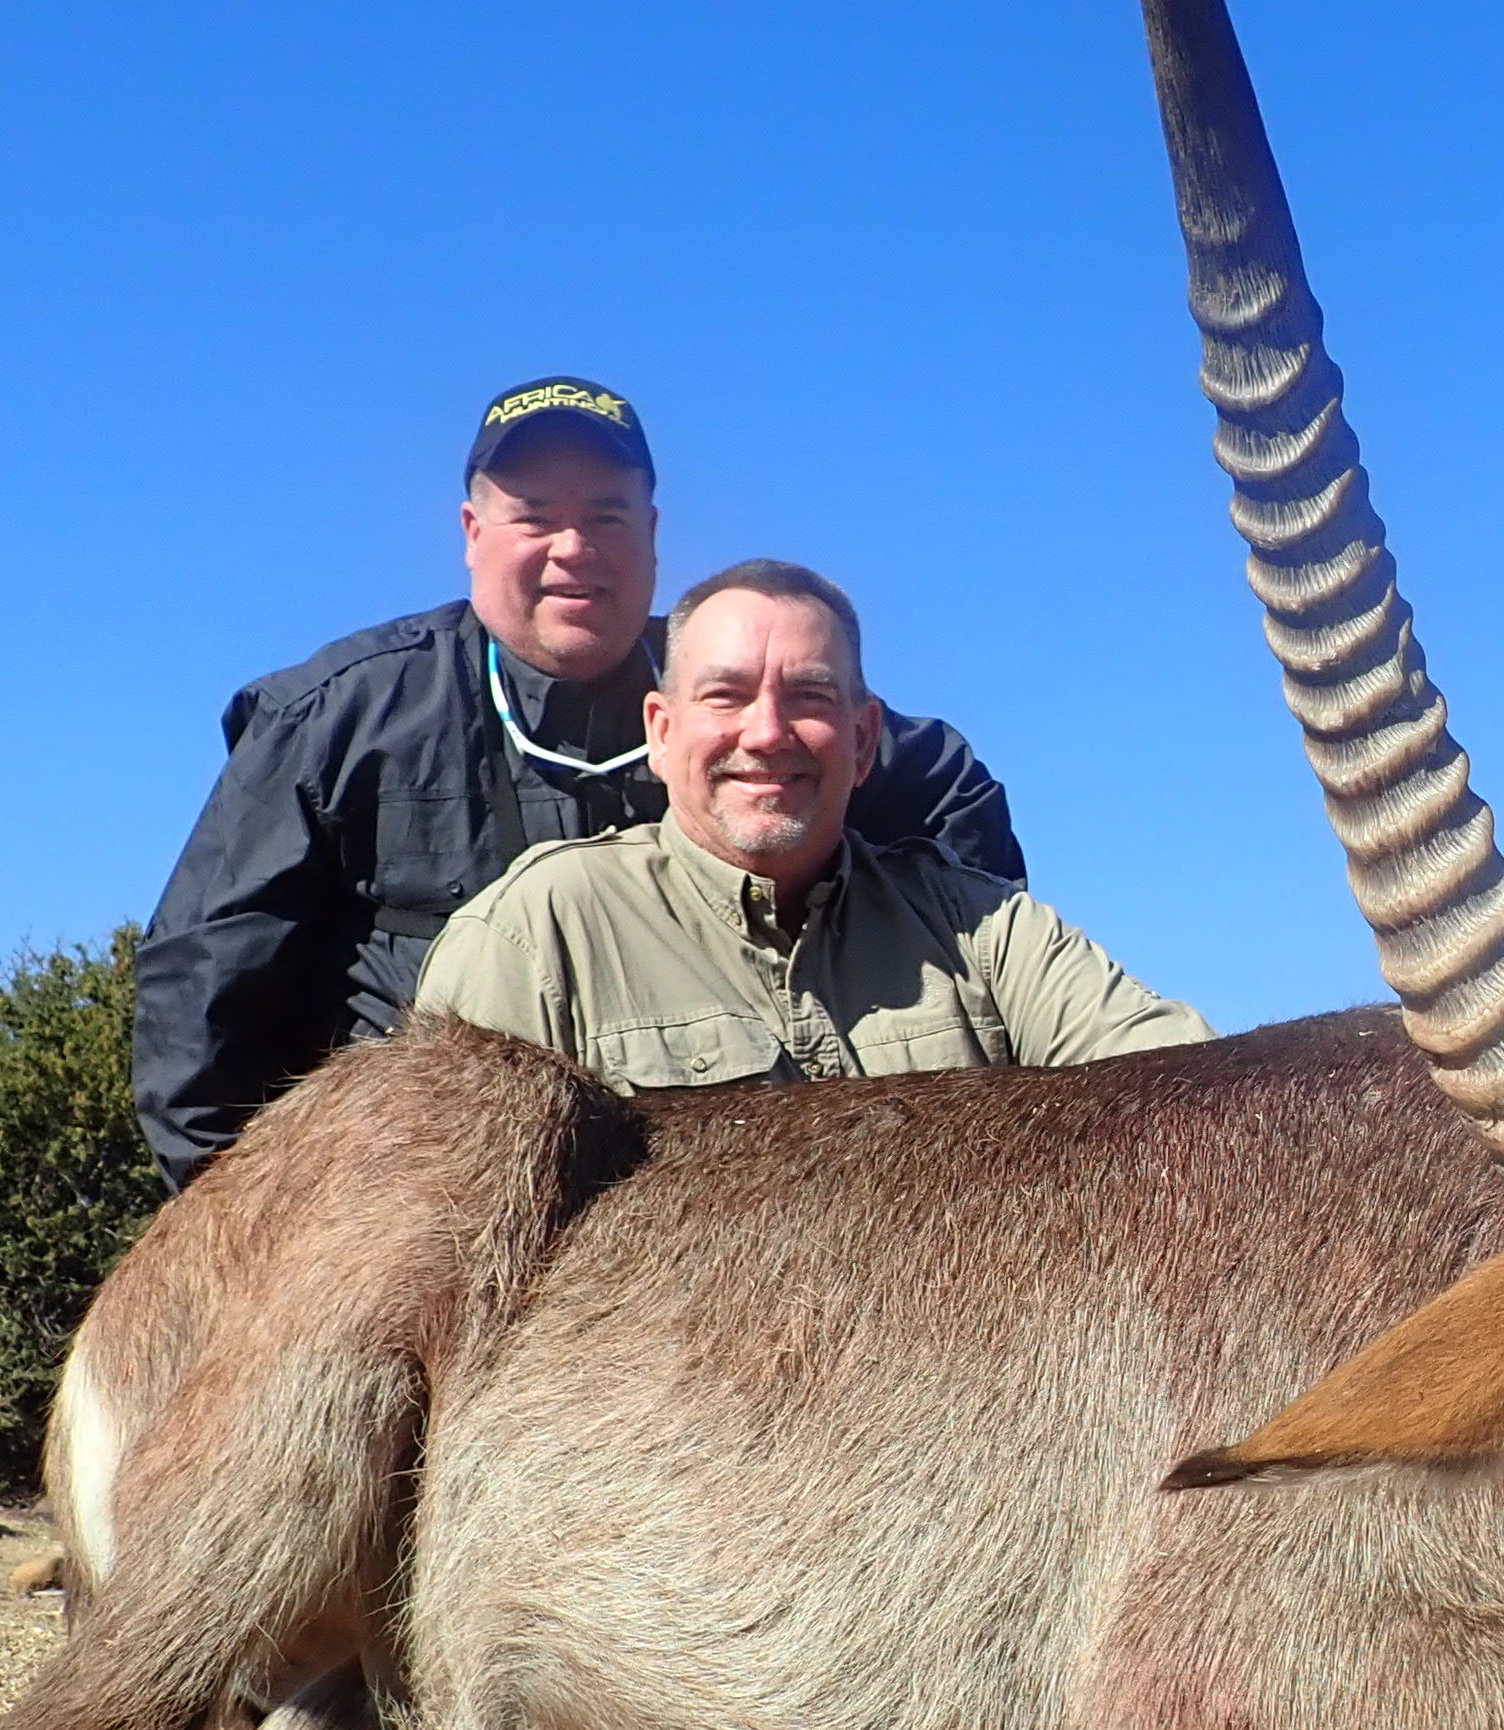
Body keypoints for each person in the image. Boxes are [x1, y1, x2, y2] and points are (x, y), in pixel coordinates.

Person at [131, 380, 1020, 1184]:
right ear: (473, 535)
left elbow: (943, 782)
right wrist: (261, 1262)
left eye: (606, 517)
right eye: (535, 517)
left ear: (654, 537)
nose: (575, 549)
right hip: (441, 1217)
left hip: (716, 1215)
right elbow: (197, 1020)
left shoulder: (735, 697)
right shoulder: (334, 718)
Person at [416, 557, 1207, 1088]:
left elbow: (1197, 1096)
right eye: (725, 696)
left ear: (863, 741)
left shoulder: (985, 932)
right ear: (660, 732)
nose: (766, 733)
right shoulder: (536, 934)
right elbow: (432, 1248)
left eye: (810, 698)